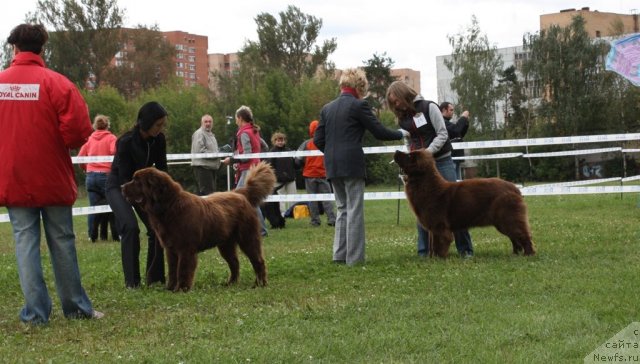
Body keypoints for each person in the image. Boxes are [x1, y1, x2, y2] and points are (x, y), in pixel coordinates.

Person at [0, 23, 102, 324]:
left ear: (14, 48)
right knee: (62, 240)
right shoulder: (58, 84)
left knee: (24, 241)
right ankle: (76, 309)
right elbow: (78, 133)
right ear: (42, 48)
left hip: (13, 178)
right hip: (52, 177)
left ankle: (35, 314)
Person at [314, 68, 410, 266]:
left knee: (342, 208)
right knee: (355, 209)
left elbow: (318, 140)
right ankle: (355, 259)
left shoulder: (327, 108)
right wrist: (401, 134)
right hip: (351, 163)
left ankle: (339, 255)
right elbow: (379, 132)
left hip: (332, 164)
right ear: (360, 86)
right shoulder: (359, 105)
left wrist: (333, 152)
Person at [386, 81, 474, 259]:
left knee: (455, 208)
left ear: (404, 94)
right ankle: (424, 252)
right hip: (419, 171)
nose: (396, 105)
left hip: (441, 161)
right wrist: (410, 158)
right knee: (422, 210)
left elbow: (443, 133)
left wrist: (426, 153)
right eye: (392, 103)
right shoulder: (402, 118)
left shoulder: (429, 107)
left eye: (397, 101)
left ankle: (466, 250)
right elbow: (409, 142)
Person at [106, 101, 168, 289]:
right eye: (158, 125)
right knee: (131, 227)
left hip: (142, 188)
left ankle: (155, 278)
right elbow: (125, 178)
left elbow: (162, 169)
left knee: (157, 228)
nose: (160, 128)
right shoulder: (125, 142)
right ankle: (132, 282)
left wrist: (164, 194)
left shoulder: (159, 140)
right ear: (146, 122)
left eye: (162, 125)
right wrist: (142, 199)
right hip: (119, 186)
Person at [221, 105, 268, 236]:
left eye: (236, 118)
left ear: (240, 118)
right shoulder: (254, 131)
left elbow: (246, 155)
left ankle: (258, 230)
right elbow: (265, 146)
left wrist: (232, 160)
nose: (236, 120)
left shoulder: (243, 133)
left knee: (240, 197)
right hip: (255, 167)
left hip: (248, 169)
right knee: (249, 198)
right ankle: (259, 229)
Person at [77, 114, 117, 241]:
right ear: (107, 125)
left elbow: (80, 157)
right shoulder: (111, 138)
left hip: (91, 176)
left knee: (93, 208)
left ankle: (91, 235)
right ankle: (116, 234)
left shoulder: (89, 140)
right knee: (113, 206)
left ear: (95, 125)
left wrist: (85, 169)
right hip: (105, 176)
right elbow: (114, 152)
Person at [296, 120, 336, 227]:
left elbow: (298, 159)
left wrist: (302, 165)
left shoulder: (306, 143)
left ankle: (315, 221)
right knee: (327, 198)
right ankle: (332, 219)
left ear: (310, 130)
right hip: (323, 174)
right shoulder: (326, 142)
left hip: (309, 175)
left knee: (312, 200)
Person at [266, 132, 297, 214]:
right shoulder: (271, 152)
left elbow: (295, 164)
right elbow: (270, 166)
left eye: (282, 140)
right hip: (278, 180)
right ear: (274, 141)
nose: (280, 142)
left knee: (293, 197)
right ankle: (282, 213)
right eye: (278, 140)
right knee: (280, 198)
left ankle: (293, 213)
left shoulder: (289, 151)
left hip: (290, 179)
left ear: (284, 141)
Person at [191, 114, 220, 195]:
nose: (208, 123)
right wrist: (216, 155)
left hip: (210, 167)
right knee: (207, 194)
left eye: (210, 122)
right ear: (201, 123)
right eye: (206, 121)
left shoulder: (211, 135)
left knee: (210, 193)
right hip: (203, 168)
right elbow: (200, 151)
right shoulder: (199, 134)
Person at [441, 102, 470, 180]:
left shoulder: (447, 123)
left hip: (456, 156)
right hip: (450, 157)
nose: (452, 112)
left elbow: (459, 134)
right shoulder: (442, 122)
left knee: (457, 182)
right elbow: (456, 130)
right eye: (451, 110)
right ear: (444, 110)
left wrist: (465, 122)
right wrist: (463, 117)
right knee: (453, 182)